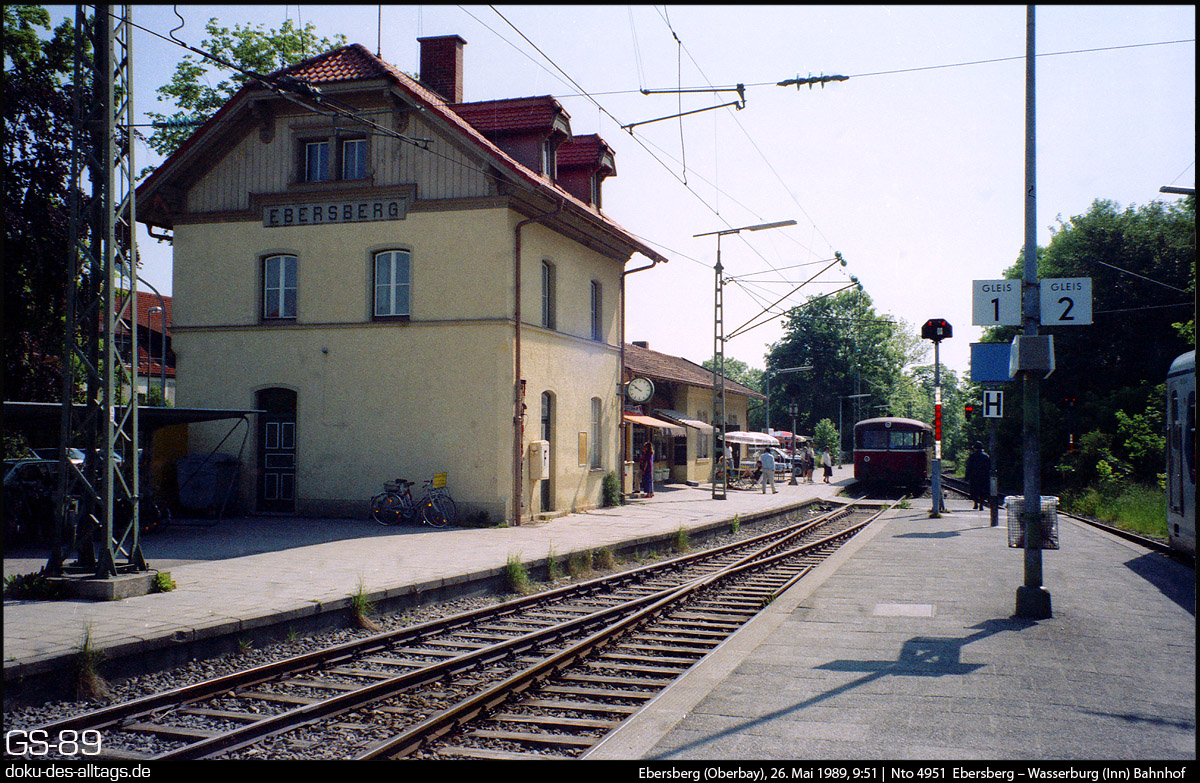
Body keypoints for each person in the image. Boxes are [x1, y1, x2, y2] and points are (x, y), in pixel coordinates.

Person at [965, 441, 992, 510]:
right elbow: (989, 467)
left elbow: (969, 467)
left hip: (974, 476)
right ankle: (981, 504)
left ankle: (976, 503)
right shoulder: (986, 456)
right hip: (984, 477)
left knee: (974, 491)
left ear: (975, 448)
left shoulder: (972, 456)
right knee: (983, 491)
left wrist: (967, 476)